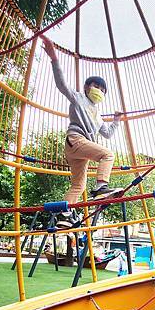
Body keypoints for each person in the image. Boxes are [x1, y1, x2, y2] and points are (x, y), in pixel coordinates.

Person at [41, 35, 122, 228]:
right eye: (96, 86)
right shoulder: (78, 98)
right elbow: (62, 84)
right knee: (108, 155)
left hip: (80, 151)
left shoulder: (99, 115)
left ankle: (63, 213)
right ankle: (101, 186)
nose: (99, 90)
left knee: (79, 185)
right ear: (87, 87)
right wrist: (54, 59)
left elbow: (108, 134)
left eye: (102, 89)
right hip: (76, 140)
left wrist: (117, 120)